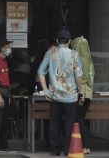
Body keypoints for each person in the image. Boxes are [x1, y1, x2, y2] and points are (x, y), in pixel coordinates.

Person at [37, 28, 84, 156]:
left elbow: (40, 72)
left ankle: (54, 151)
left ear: (57, 41)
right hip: (71, 96)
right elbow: (78, 76)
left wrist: (46, 90)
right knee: (69, 124)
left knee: (54, 124)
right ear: (69, 42)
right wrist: (81, 92)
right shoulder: (74, 54)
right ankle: (68, 150)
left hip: (54, 96)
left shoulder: (50, 53)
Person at [71, 36, 95, 154]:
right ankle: (85, 145)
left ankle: (85, 146)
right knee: (82, 119)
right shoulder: (89, 59)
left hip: (81, 93)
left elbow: (80, 77)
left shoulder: (79, 59)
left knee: (78, 119)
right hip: (88, 94)